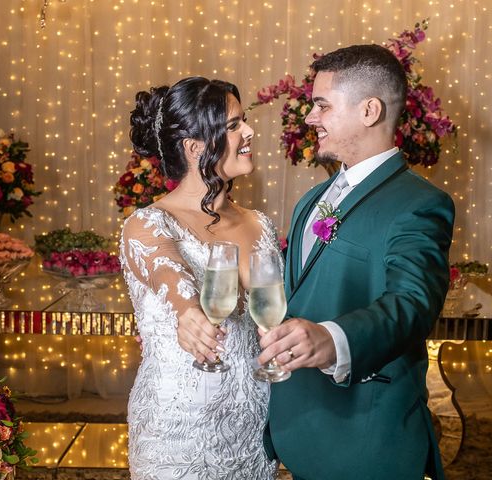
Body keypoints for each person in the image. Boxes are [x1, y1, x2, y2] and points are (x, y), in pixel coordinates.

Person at [258, 44, 454, 480]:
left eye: (322, 105)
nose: (310, 118)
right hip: (303, 425)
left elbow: (412, 305)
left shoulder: (420, 204)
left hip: (364, 438)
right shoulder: (313, 199)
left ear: (369, 110)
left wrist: (334, 339)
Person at [121, 76, 279, 479]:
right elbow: (168, 274)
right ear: (194, 147)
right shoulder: (148, 224)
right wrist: (188, 313)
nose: (249, 131)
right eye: (233, 125)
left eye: (244, 121)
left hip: (256, 429)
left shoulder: (260, 225)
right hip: (181, 434)